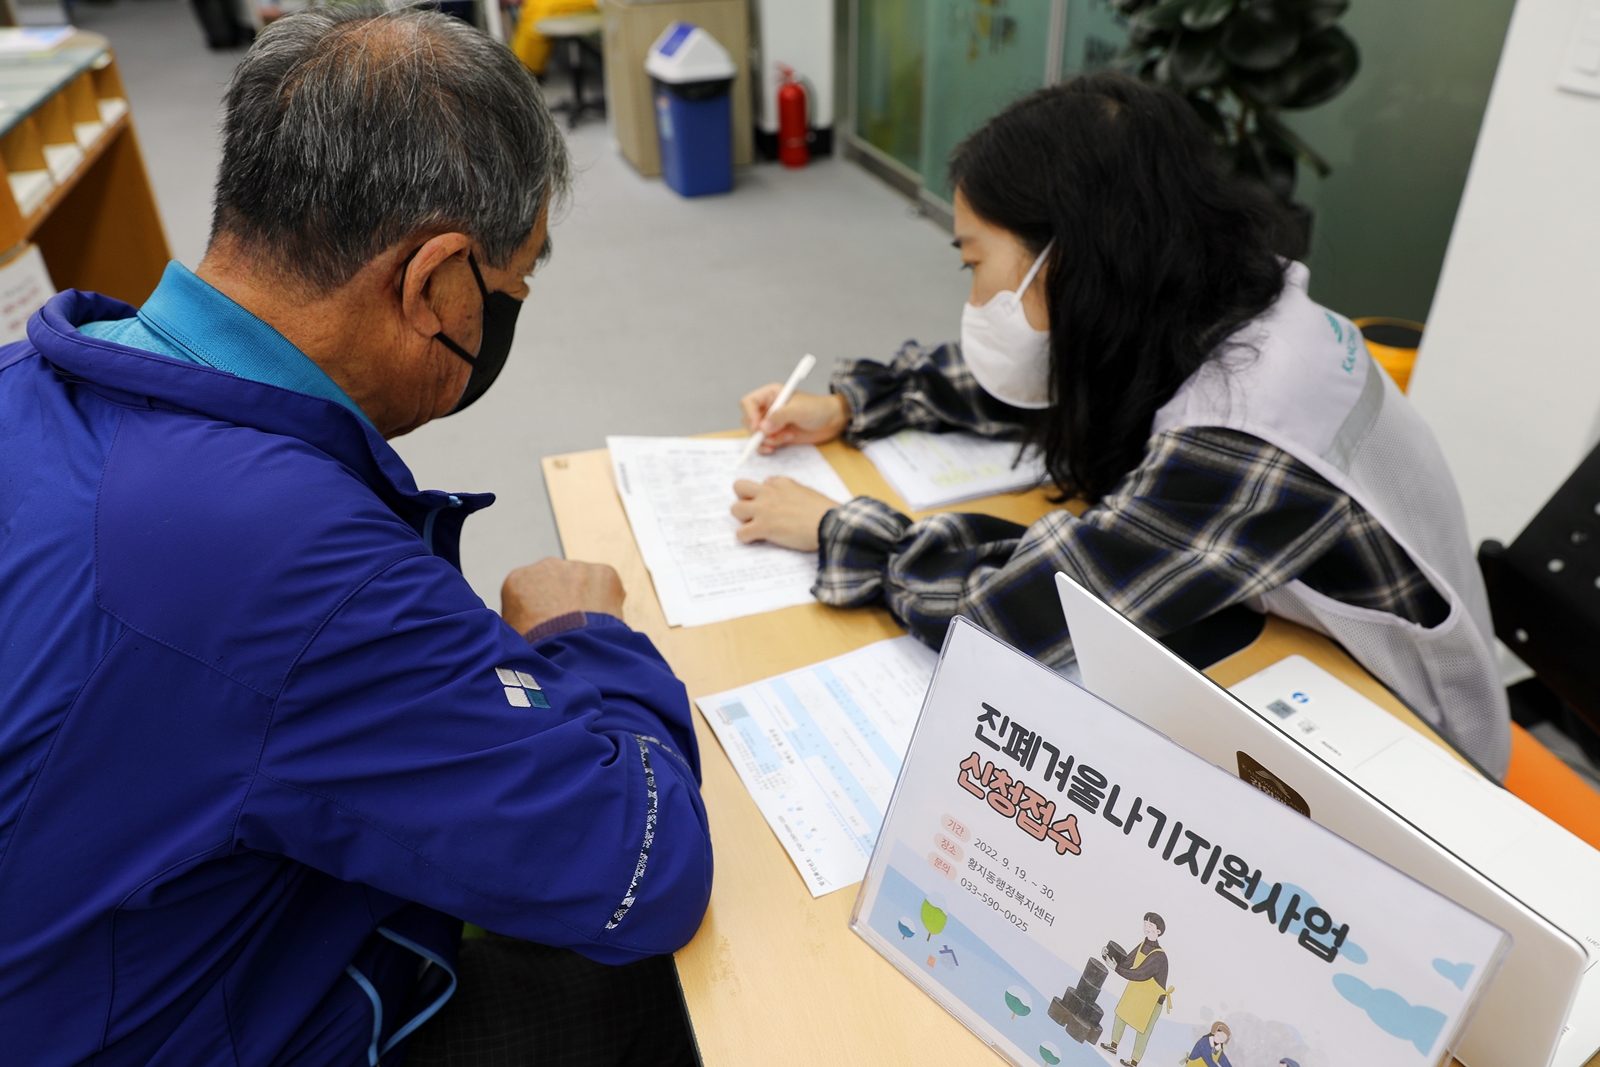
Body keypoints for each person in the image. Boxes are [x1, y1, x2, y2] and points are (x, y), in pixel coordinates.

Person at [0, 9, 711, 1067]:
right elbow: (644, 871)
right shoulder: (295, 564)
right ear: (434, 282)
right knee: (647, 987)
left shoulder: (26, 378)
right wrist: (586, 634)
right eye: (507, 291)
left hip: (75, 974)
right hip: (174, 1029)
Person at [732, 73, 1511, 778]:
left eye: (975, 264)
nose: (975, 299)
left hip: (1414, 763)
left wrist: (841, 528)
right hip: (1298, 663)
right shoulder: (1223, 303)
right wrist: (855, 403)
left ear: (1071, 260)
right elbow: (1063, 375)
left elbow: (1011, 614)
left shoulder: (1246, 433)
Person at [1100, 912, 1172, 1067]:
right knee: (1121, 1013)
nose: (1146, 927)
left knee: (1143, 1030)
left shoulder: (1159, 956)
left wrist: (1116, 969)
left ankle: (1134, 1062)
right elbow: (1127, 963)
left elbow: (1140, 974)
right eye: (1145, 923)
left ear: (1158, 931)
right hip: (1137, 992)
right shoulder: (1142, 945)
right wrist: (1109, 957)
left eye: (1150, 925)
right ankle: (1113, 1045)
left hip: (1152, 1000)